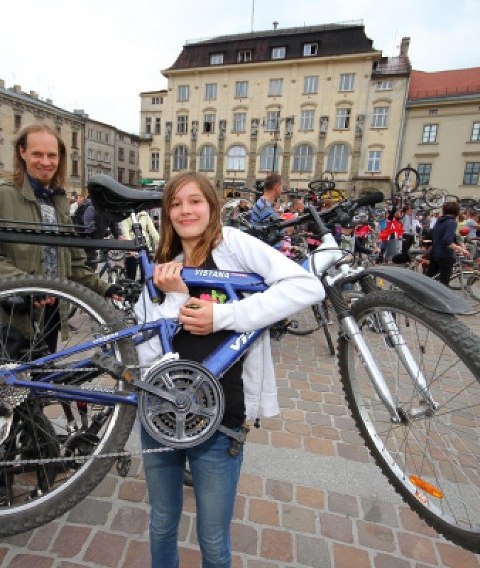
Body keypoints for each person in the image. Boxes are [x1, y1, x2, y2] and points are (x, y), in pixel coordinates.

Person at [134, 171, 324, 567]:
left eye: (195, 201)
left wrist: (223, 315)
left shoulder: (233, 246)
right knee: (162, 521)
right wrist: (176, 298)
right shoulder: (164, 267)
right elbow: (147, 352)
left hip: (221, 418)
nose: (185, 210)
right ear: (166, 214)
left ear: (212, 206)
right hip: (161, 414)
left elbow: (306, 287)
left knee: (214, 537)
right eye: (175, 203)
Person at [0, 124, 122, 352]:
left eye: (52, 155)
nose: (46, 161)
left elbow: (73, 262)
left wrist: (106, 289)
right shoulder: (1, 195)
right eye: (37, 154)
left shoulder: (58, 199)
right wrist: (29, 286)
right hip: (10, 311)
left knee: (42, 381)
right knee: (5, 382)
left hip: (50, 309)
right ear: (22, 152)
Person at [426, 201, 470, 286]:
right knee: (444, 283)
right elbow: (448, 241)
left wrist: (458, 244)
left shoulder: (439, 221)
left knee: (429, 280)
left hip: (435, 253)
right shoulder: (451, 223)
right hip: (445, 255)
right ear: (456, 211)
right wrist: (462, 250)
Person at [119, 209, 160, 282]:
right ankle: (130, 287)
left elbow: (153, 232)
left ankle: (143, 285)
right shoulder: (125, 216)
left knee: (146, 275)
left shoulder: (144, 215)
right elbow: (126, 233)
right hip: (132, 246)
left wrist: (162, 244)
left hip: (144, 246)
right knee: (131, 275)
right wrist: (130, 248)